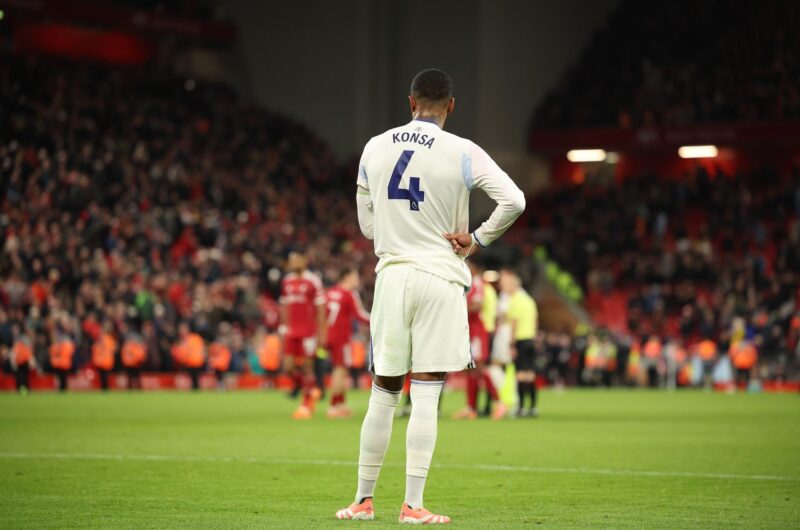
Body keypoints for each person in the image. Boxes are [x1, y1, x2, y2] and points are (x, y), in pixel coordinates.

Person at [335, 68, 525, 523]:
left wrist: (396, 232)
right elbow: (514, 200)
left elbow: (366, 226)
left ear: (410, 102)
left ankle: (362, 501)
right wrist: (477, 239)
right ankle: (412, 506)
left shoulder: (375, 147)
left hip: (394, 275)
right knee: (426, 393)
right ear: (451, 106)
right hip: (440, 276)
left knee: (383, 392)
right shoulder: (463, 150)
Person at [453, 261, 506, 420]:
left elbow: (477, 305)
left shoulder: (477, 283)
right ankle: (471, 408)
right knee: (471, 368)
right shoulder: (469, 282)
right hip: (469, 331)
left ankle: (499, 403)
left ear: (474, 267)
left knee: (480, 366)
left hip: (478, 332)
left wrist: (457, 307)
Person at [279, 252, 327, 419]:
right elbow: (284, 305)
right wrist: (283, 326)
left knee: (308, 368)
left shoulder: (313, 280)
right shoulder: (287, 281)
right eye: (290, 259)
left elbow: (320, 308)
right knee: (288, 368)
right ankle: (310, 390)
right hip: (291, 332)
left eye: (295, 259)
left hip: (308, 332)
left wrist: (322, 333)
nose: (292, 262)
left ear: (304, 260)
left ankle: (306, 405)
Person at [325, 268, 371, 418]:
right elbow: (360, 315)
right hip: (341, 337)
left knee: (340, 369)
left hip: (327, 335)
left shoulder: (330, 292)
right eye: (354, 277)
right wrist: (377, 320)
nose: (357, 281)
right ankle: (333, 406)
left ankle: (341, 404)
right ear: (346, 277)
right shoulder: (349, 294)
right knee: (340, 370)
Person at [499, 269, 539, 417]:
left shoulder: (515, 300)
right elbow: (535, 320)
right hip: (531, 339)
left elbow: (514, 323)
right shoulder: (529, 300)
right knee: (530, 374)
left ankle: (521, 407)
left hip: (521, 340)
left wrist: (512, 344)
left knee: (521, 374)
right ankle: (533, 407)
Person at [8, 327, 37, 393]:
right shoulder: (19, 346)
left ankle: (23, 389)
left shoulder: (21, 346)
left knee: (23, 377)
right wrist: (14, 363)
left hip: (23, 363)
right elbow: (14, 355)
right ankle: (21, 389)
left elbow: (29, 356)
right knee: (21, 377)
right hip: (20, 363)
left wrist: (32, 363)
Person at [91, 322, 117, 391]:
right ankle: (105, 389)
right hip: (106, 361)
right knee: (104, 376)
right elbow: (114, 349)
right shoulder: (110, 339)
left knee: (103, 376)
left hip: (103, 361)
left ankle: (104, 389)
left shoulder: (102, 339)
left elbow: (96, 349)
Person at [208, 325, 232, 390]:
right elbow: (212, 353)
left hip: (224, 363)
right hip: (218, 364)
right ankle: (220, 387)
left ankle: (222, 387)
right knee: (219, 377)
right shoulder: (216, 343)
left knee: (222, 377)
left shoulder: (227, 341)